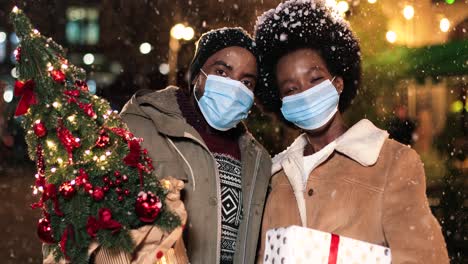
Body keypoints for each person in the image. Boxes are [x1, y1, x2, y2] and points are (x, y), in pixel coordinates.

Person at [253, 1, 448, 263]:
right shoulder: (274, 177)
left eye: (315, 79)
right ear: (281, 103)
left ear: (339, 82)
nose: (306, 93)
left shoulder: (392, 162)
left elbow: (424, 258)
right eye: (291, 89)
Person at [120, 27, 272, 264]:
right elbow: (80, 224)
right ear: (198, 76)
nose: (234, 88)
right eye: (221, 72)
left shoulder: (259, 161)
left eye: (246, 82)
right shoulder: (139, 128)